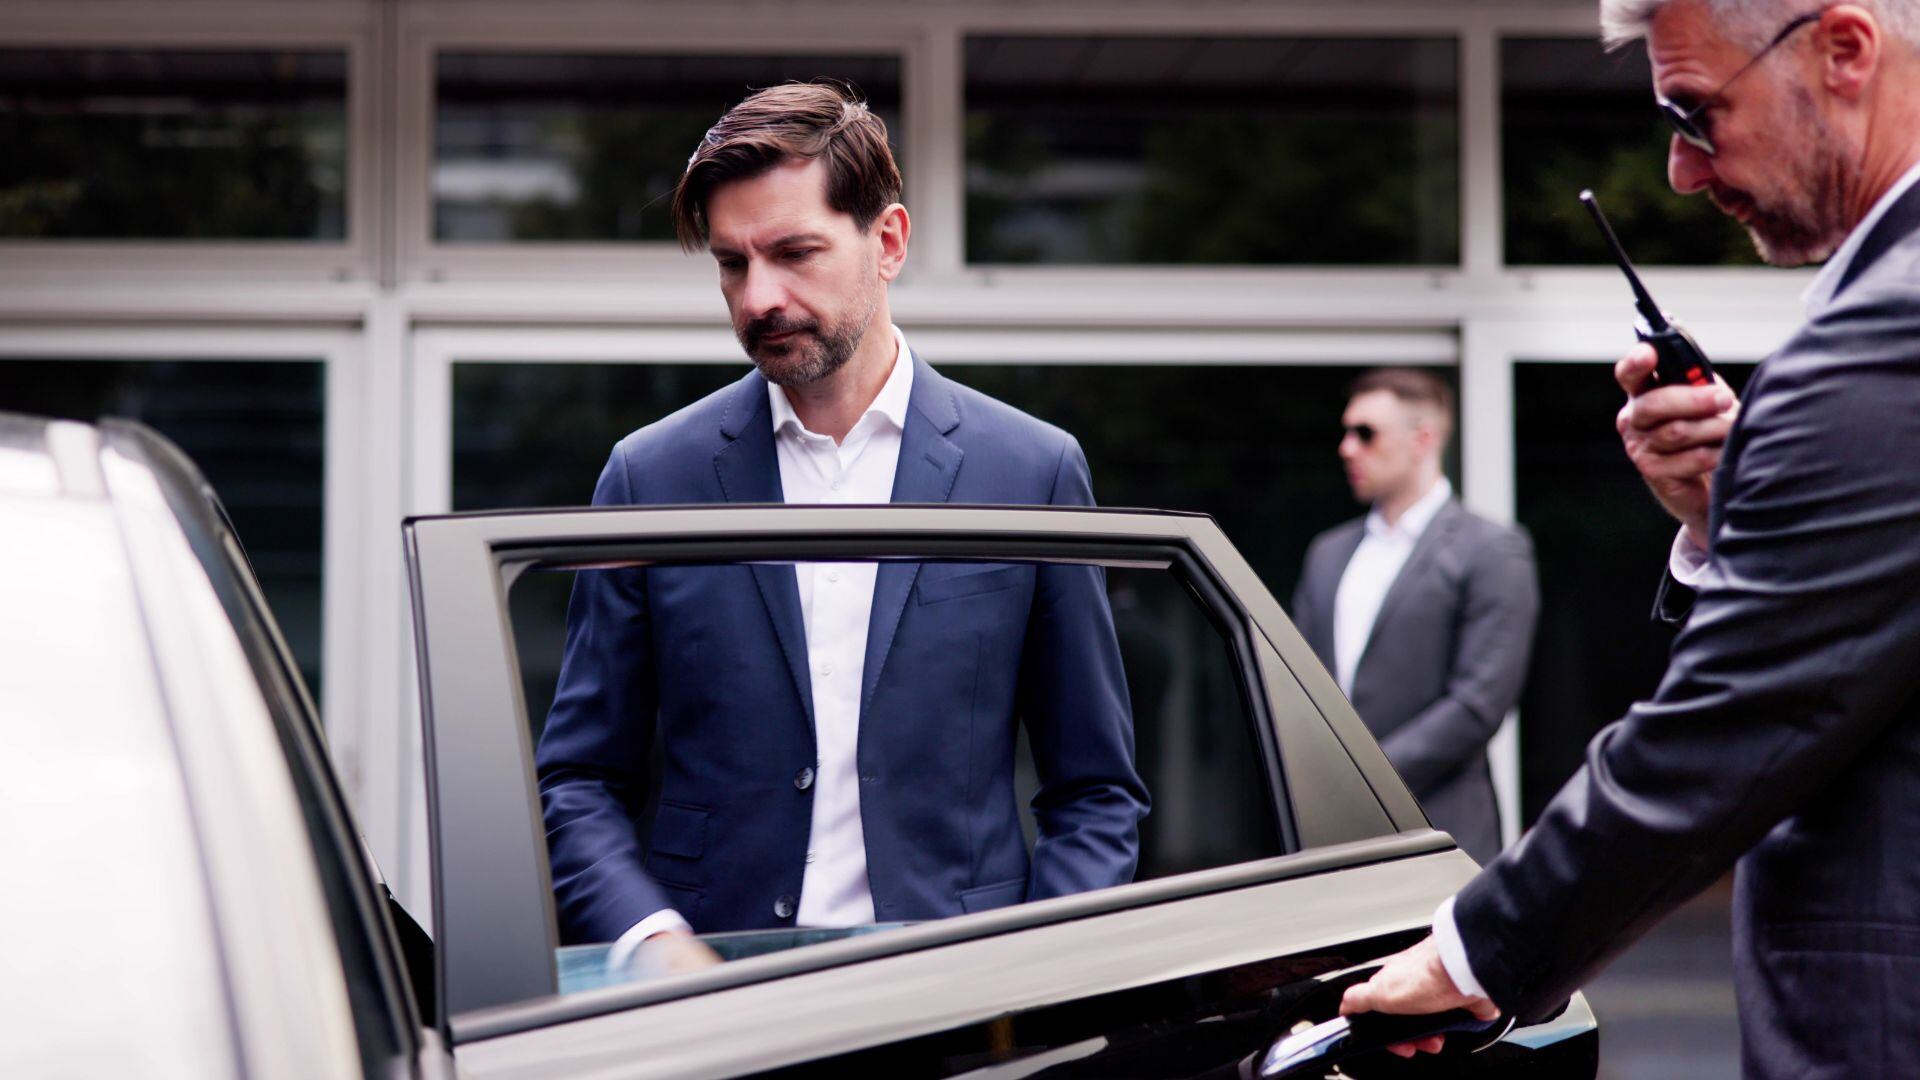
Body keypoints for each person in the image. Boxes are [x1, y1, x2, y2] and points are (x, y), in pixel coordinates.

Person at [1341, 1, 1920, 1071]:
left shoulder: (1888, 331)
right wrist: (1723, 513)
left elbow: (1734, 722)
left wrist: (1472, 955)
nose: (1682, 172)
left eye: (1696, 113)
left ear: (1844, 51)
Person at [533, 82, 1148, 971]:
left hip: (957, 1006)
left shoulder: (1030, 471)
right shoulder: (651, 475)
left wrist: (1032, 973)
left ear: (887, 241)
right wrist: (651, 943)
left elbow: (1094, 791)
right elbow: (580, 780)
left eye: (794, 253)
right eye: (733, 264)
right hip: (714, 1007)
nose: (758, 299)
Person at [1291, 369, 1537, 866]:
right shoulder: (1328, 552)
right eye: (1346, 432)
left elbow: (1478, 704)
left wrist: (1369, 778)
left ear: (1422, 439)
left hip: (1440, 835)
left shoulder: (1491, 549)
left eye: (1366, 433)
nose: (1347, 448)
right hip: (1327, 838)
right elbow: (1296, 682)